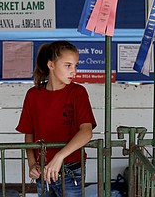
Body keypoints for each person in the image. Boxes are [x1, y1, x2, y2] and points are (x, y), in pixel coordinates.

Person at [16, 40, 97, 197]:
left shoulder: (78, 92)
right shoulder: (33, 95)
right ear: (51, 65)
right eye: (68, 65)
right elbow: (29, 133)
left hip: (71, 170)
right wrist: (32, 164)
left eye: (76, 66)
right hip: (43, 172)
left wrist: (60, 156)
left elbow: (86, 131)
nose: (74, 71)